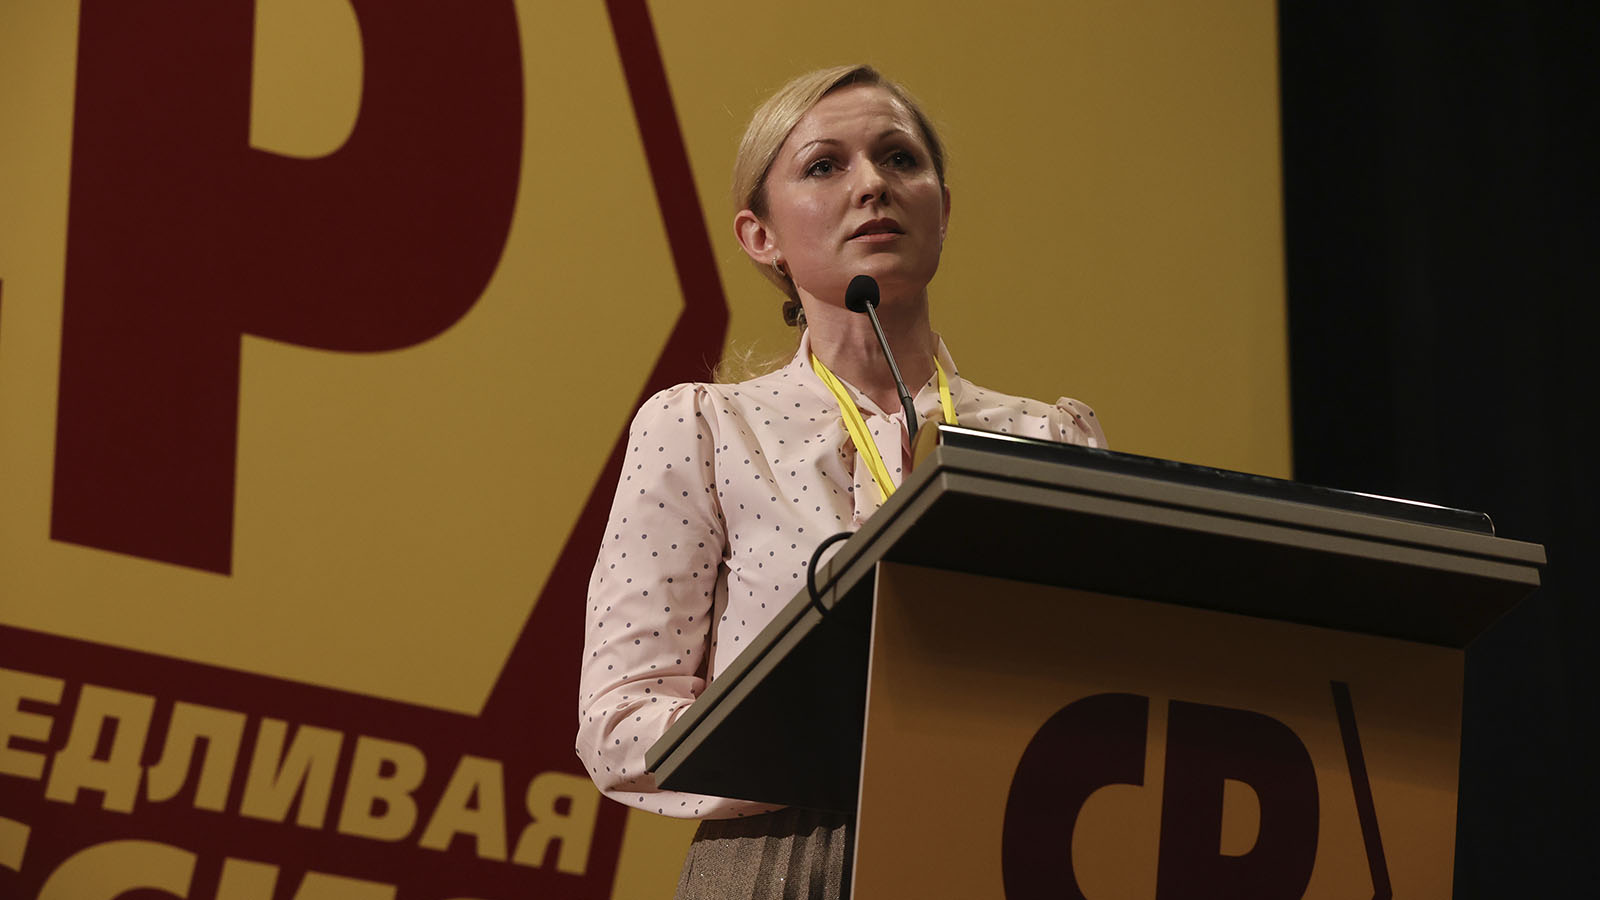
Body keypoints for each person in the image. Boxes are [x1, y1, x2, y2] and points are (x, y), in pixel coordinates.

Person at [576, 64, 1107, 899]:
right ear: (761, 236)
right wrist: (837, 739)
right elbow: (619, 724)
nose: (872, 185)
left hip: (999, 855)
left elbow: (1101, 680)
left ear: (942, 208)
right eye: (825, 165)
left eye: (900, 158)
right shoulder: (707, 431)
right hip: (786, 858)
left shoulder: (1048, 440)